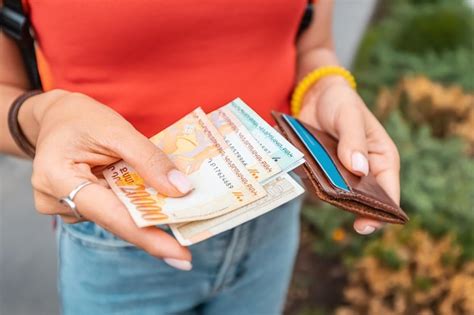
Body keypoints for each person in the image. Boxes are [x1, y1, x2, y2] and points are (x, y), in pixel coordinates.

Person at [0, 1, 400, 314]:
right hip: (120, 236)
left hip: (272, 212)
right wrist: (44, 116)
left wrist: (323, 85)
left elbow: (314, 46)